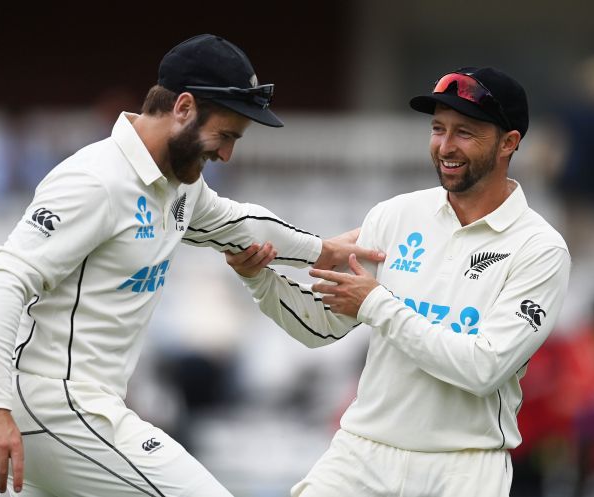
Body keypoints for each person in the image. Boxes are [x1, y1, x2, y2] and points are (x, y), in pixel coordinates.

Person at [0, 33, 384, 497]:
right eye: (224, 136)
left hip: (93, 406)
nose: (226, 154)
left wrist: (320, 251)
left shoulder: (176, 185)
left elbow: (236, 221)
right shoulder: (97, 181)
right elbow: (2, 281)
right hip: (53, 406)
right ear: (183, 108)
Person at [226, 67, 571, 496]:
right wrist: (259, 279)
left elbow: (482, 369)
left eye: (465, 132)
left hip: (464, 467)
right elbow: (321, 326)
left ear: (509, 143)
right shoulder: (396, 215)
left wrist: (377, 304)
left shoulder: (539, 249)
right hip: (364, 453)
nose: (445, 146)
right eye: (438, 129)